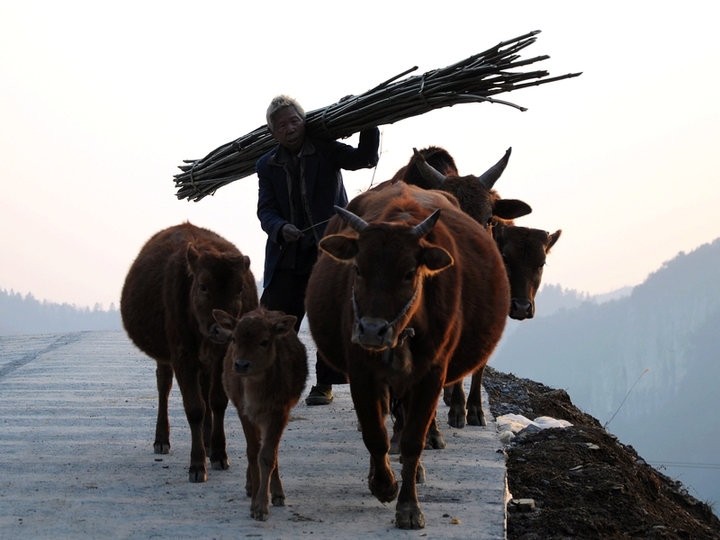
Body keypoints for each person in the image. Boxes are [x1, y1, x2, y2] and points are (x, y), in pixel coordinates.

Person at [256, 95, 380, 405]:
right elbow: (266, 210)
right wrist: (280, 228)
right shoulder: (267, 165)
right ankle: (274, 382)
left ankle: (325, 384)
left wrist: (367, 117)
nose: (290, 129)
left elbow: (365, 159)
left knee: (328, 317)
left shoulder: (325, 149)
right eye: (282, 125)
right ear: (274, 132)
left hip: (328, 249)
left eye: (294, 121)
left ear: (303, 121)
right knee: (276, 322)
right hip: (287, 255)